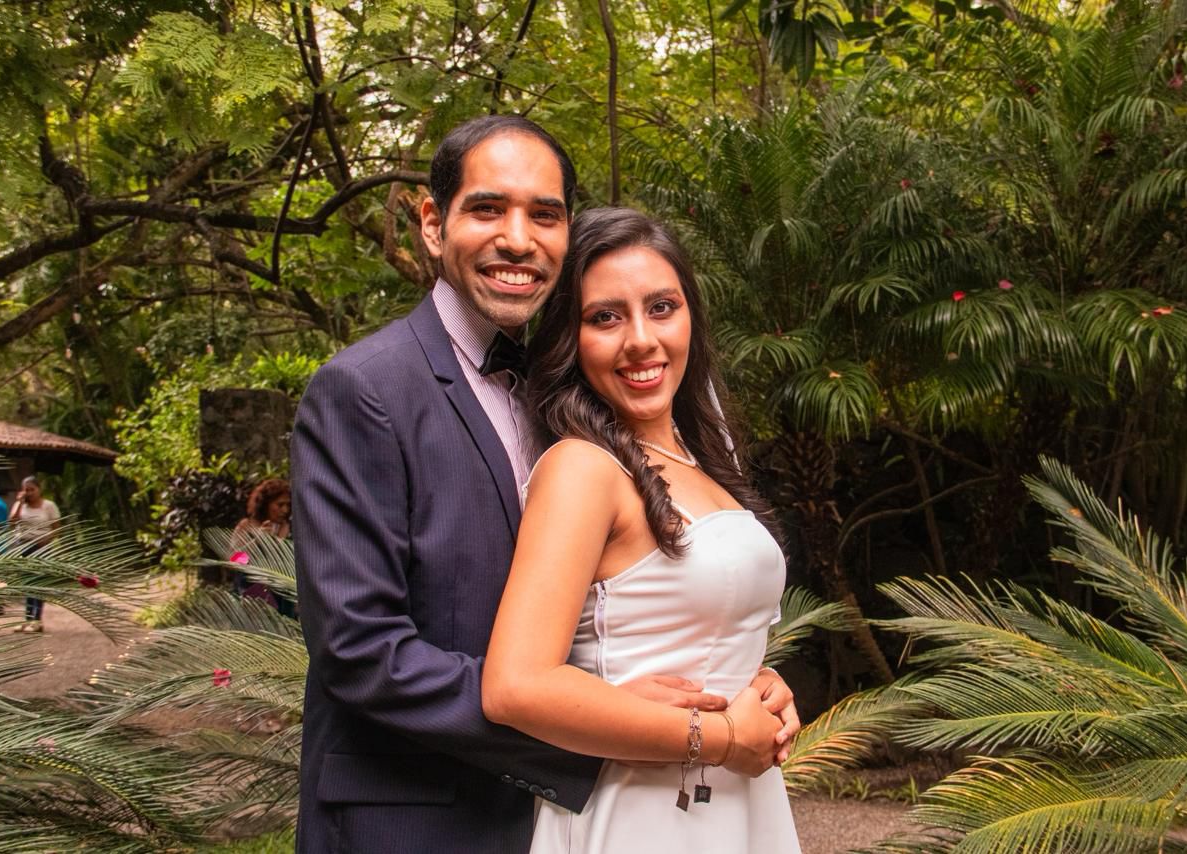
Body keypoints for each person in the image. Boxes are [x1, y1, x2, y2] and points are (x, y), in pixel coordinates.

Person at [291, 115, 797, 854]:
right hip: (415, 818)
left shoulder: (567, 395)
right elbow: (360, 649)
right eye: (488, 208)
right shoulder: (365, 391)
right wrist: (602, 721)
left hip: (569, 815)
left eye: (545, 215)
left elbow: (614, 602)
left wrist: (735, 674)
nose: (518, 239)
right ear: (432, 223)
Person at [482, 208, 801, 852]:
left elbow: (689, 621)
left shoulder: (702, 459)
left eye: (661, 308)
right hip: (641, 813)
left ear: (691, 317)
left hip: (737, 802)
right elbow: (515, 687)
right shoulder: (581, 468)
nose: (641, 340)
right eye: (605, 317)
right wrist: (721, 737)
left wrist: (757, 681)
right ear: (570, 339)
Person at [231, 478, 294, 617]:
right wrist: (259, 539)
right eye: (280, 505)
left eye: (288, 505)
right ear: (266, 504)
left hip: (284, 598)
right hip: (252, 596)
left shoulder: (290, 528)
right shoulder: (247, 526)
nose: (285, 510)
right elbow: (235, 561)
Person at [8, 475, 60, 633]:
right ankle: (27, 619)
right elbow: (11, 523)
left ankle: (37, 621)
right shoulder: (20, 505)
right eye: (26, 490)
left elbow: (57, 528)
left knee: (38, 584)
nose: (29, 493)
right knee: (26, 584)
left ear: (39, 489)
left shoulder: (49, 506)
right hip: (23, 546)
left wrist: (47, 540)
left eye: (32, 489)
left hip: (41, 547)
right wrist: (19, 503)